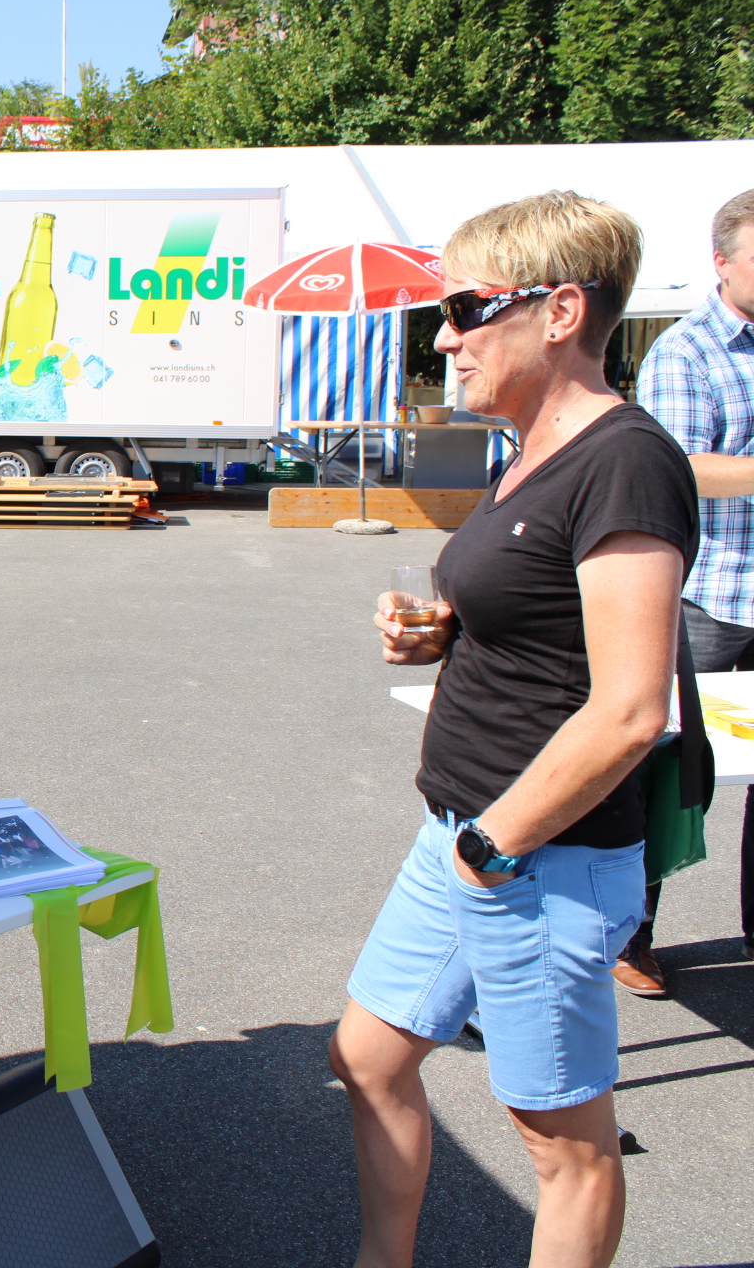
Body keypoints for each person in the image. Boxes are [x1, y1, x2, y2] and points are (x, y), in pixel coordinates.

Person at [333, 191, 696, 1268]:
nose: (442, 334)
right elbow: (549, 630)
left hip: (536, 853)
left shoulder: (623, 458)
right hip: (466, 834)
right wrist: (442, 632)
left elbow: (631, 708)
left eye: (465, 306)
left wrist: (492, 847)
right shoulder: (528, 448)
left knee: (562, 1147)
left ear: (561, 311)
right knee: (368, 1055)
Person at [630, 187, 754, 996]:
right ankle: (629, 933)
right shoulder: (686, 351)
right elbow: (676, 466)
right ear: (721, 263)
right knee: (672, 777)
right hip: (716, 597)